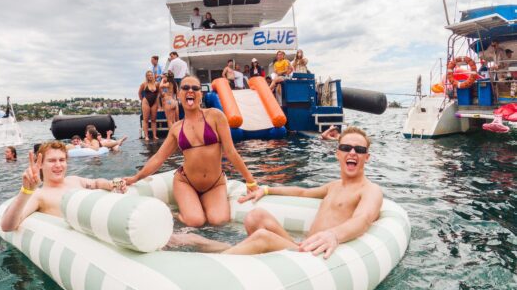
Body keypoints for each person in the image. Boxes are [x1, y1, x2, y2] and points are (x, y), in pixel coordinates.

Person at [173, 127, 382, 259]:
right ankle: (198, 241)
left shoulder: (370, 190)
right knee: (256, 216)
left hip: (317, 255)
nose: (352, 152)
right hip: (303, 247)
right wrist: (265, 189)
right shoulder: (335, 186)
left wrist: (334, 235)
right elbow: (301, 193)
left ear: (368, 157)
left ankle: (210, 265)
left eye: (359, 150)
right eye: (346, 147)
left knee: (263, 237)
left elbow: (363, 219)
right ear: (338, 154)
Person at [124, 75, 258, 227]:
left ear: (201, 94)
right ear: (179, 94)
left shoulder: (215, 116)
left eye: (195, 88)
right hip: (186, 182)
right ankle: (174, 214)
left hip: (214, 183)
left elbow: (231, 152)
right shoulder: (176, 128)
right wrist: (136, 178)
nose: (190, 91)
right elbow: (158, 158)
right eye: (185, 88)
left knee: (219, 221)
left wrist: (250, 181)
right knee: (196, 221)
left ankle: (195, 206)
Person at [0, 141, 124, 231]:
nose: (58, 165)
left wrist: (112, 184)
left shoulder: (74, 180)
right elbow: (7, 226)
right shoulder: (40, 195)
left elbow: (96, 183)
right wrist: (26, 190)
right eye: (52, 161)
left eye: (62, 160)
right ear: (41, 164)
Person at [139, 70, 160, 141]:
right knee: (146, 120)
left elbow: (159, 93)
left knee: (154, 120)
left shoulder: (157, 84)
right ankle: (146, 136)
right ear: (146, 77)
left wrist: (158, 102)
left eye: (151, 75)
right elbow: (139, 93)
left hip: (154, 102)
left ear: (153, 75)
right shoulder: (144, 84)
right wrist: (142, 100)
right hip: (146, 102)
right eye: (148, 75)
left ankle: (154, 135)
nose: (150, 76)